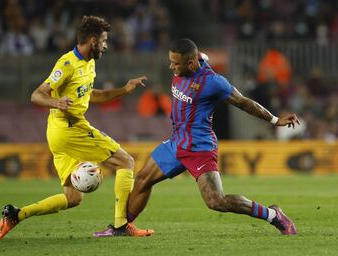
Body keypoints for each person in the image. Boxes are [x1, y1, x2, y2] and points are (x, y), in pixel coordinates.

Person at [94, 38, 299, 237]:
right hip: (176, 143)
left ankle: (273, 214)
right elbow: (201, 56)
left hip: (199, 147)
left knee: (216, 201)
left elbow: (243, 102)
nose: (171, 67)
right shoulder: (192, 61)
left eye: (175, 63)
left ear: (190, 63)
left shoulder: (213, 82)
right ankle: (123, 227)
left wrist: (274, 119)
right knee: (142, 179)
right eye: (171, 61)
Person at [0, 15, 154, 240]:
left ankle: (15, 215)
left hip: (59, 132)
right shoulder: (67, 64)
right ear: (93, 41)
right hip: (69, 129)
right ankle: (120, 225)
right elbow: (36, 95)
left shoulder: (90, 63)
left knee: (73, 198)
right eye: (104, 41)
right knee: (125, 161)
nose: (106, 46)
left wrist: (124, 90)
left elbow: (93, 95)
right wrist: (56, 102)